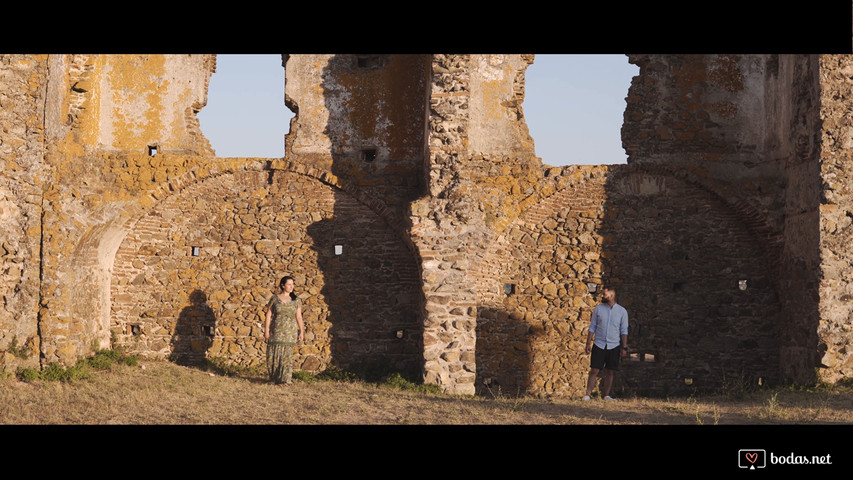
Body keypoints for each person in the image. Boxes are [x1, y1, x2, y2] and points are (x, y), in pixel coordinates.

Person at [582, 285, 628, 401]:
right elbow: (592, 327)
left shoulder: (622, 311)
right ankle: (587, 394)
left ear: (611, 296)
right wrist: (588, 343)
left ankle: (606, 395)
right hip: (599, 344)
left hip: (614, 345)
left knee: (610, 371)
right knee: (594, 370)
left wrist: (624, 347)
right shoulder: (598, 309)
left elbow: (624, 330)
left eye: (604, 294)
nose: (602, 296)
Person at [264, 276, 305, 385]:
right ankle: (274, 378)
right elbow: (269, 315)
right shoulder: (274, 299)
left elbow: (299, 317)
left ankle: (285, 379)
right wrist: (266, 330)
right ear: (283, 285)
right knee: (274, 353)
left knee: (287, 355)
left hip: (290, 331)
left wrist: (301, 331)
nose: (292, 287)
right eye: (289, 284)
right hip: (276, 330)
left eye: (293, 284)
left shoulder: (296, 300)